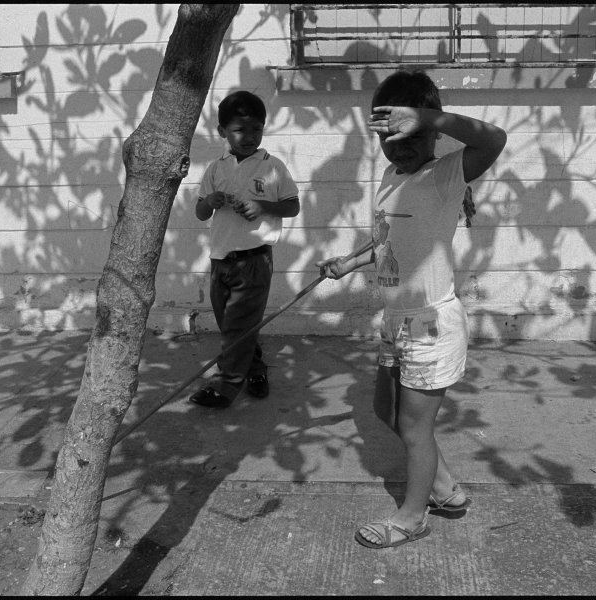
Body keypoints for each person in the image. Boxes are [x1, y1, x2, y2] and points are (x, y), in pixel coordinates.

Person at [316, 71, 506, 548]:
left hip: (431, 323)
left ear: (433, 131)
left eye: (410, 135)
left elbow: (495, 139)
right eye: (386, 138)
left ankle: (412, 516)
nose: (397, 148)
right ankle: (445, 491)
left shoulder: (445, 174)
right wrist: (348, 262)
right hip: (397, 321)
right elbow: (385, 239)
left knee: (414, 426)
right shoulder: (388, 177)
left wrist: (426, 114)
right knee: (386, 409)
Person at [190, 90, 300, 409]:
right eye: (240, 130)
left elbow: (292, 206)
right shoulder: (216, 169)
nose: (249, 136)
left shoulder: (272, 167)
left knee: (237, 326)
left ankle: (227, 385)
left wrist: (263, 206)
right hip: (220, 260)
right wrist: (209, 202)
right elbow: (200, 212)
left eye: (256, 129)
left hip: (254, 261)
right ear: (223, 131)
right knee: (233, 325)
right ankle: (255, 370)